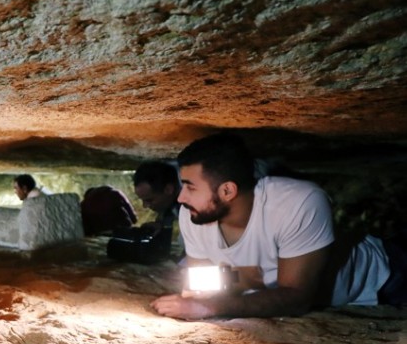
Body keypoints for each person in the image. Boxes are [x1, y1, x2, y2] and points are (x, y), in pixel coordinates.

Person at [151, 133, 404, 320]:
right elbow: (205, 285)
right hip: (336, 302)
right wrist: (220, 288)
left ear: (227, 190)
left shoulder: (297, 203)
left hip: (386, 277)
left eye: (190, 187)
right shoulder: (194, 215)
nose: (181, 198)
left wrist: (210, 307)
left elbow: (296, 297)